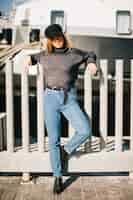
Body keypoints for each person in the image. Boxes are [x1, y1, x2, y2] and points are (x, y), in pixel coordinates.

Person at [26, 24, 98, 194]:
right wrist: (28, 59)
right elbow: (33, 57)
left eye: (59, 36)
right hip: (50, 98)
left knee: (85, 130)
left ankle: (65, 151)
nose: (57, 40)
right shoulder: (45, 55)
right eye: (53, 38)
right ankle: (57, 177)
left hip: (68, 98)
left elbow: (90, 54)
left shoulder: (73, 54)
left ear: (63, 35)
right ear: (49, 40)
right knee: (53, 140)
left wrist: (92, 64)